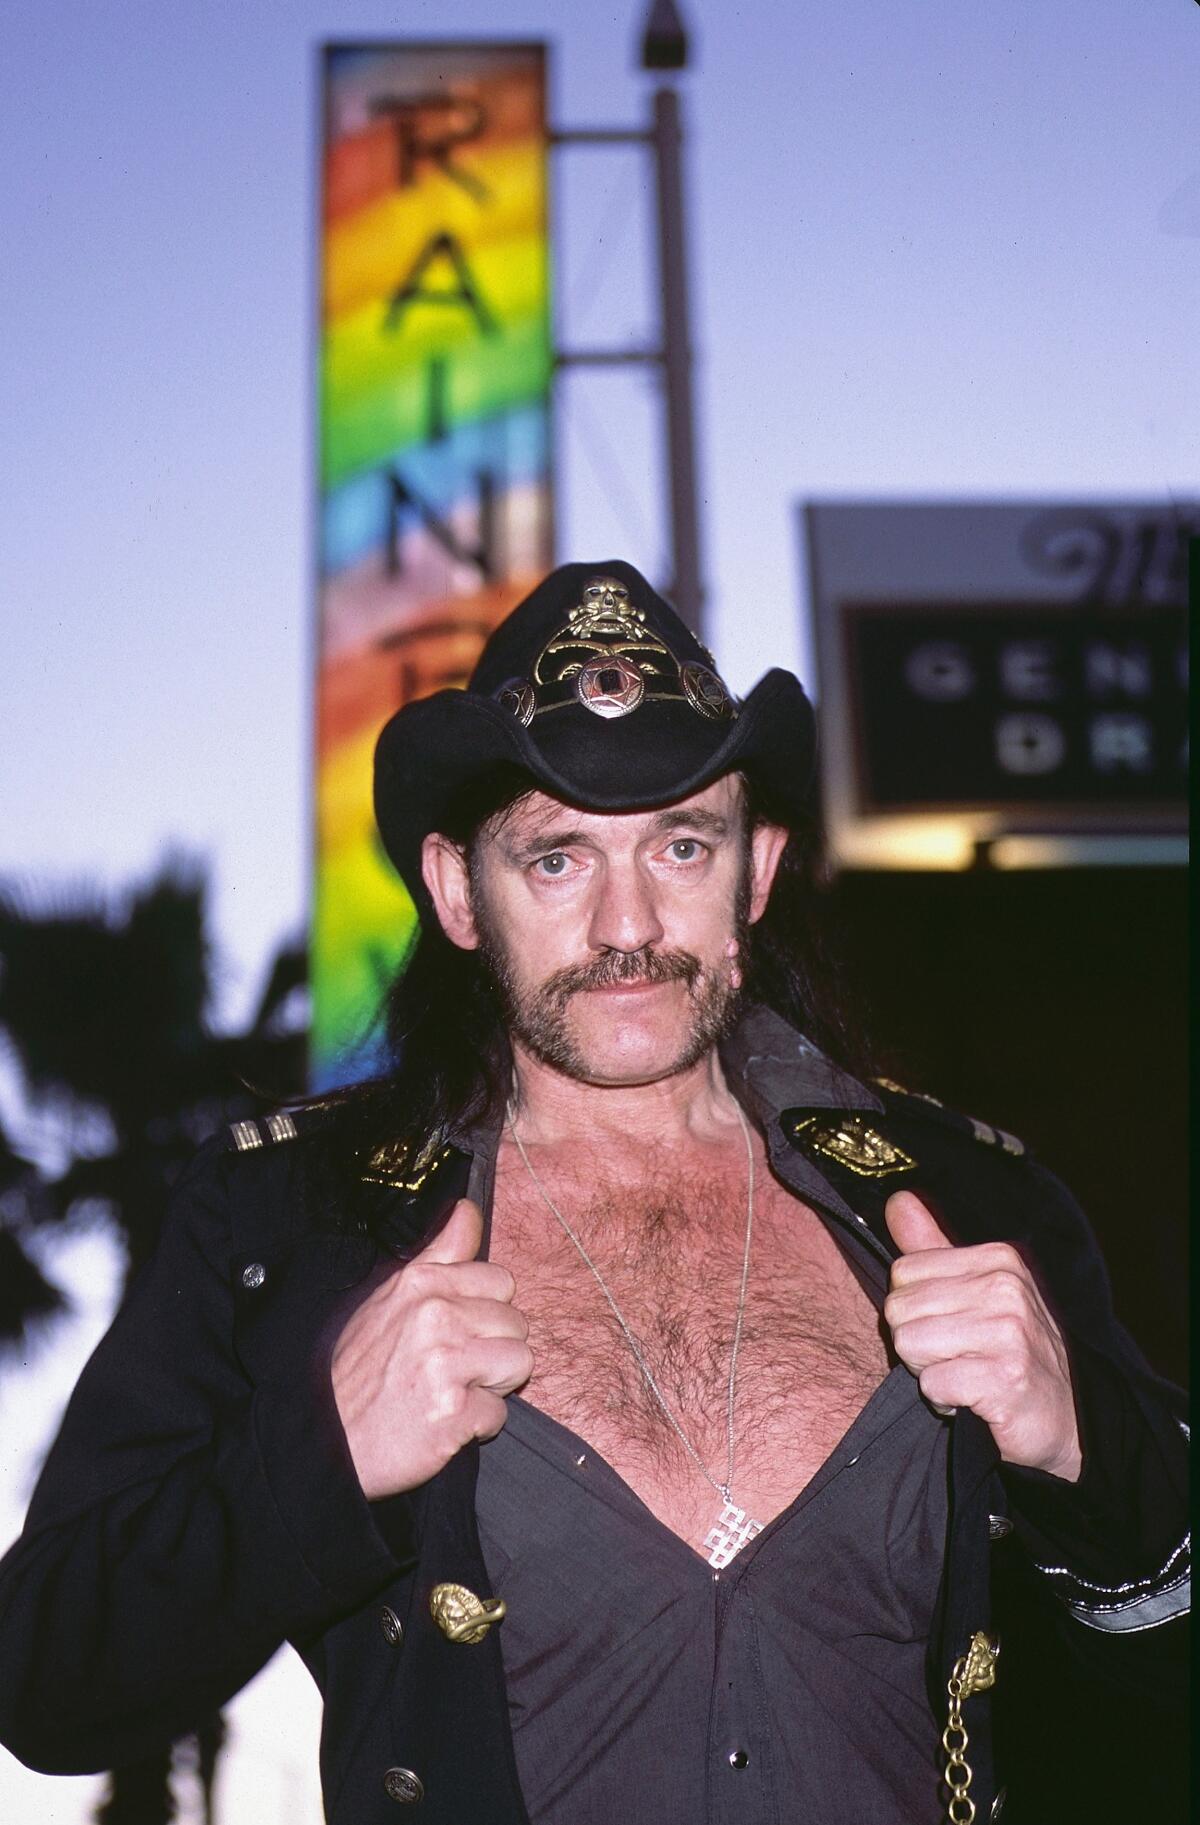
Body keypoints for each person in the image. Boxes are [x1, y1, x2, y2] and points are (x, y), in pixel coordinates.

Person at [0, 561, 1188, 1824]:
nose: (630, 925)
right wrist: (319, 1463)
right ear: (460, 892)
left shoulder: (967, 1195)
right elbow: (45, 1684)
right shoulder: (287, 1217)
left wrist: (1084, 1452)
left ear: (760, 870)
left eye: (683, 845)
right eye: (559, 859)